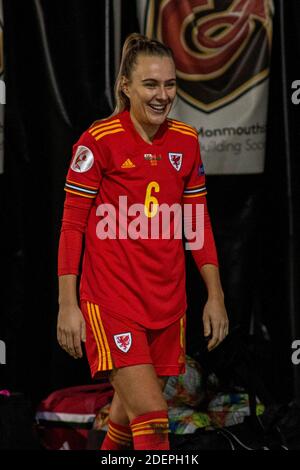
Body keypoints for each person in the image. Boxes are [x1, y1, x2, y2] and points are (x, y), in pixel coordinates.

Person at [57, 33, 229, 451]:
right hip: (113, 302)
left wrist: (215, 294)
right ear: (126, 86)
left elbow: (197, 222)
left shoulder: (185, 140)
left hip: (168, 306)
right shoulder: (98, 141)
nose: (162, 95)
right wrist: (67, 305)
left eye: (170, 84)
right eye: (151, 84)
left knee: (124, 415)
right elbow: (72, 226)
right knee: (153, 421)